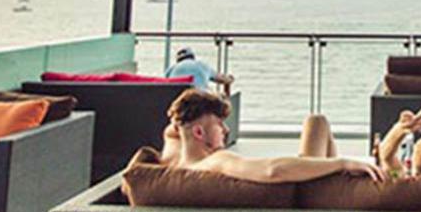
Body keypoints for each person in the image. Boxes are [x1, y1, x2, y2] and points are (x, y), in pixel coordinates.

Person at [159, 89, 383, 183]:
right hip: (301, 190)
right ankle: (341, 180)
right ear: (199, 132)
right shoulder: (216, 161)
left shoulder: (172, 157)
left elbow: (174, 128)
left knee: (317, 122)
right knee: (316, 122)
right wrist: (342, 162)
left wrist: (188, 113)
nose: (226, 131)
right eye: (219, 125)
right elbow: (272, 170)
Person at [166, 47, 234, 93]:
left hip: (176, 103)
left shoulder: (171, 69)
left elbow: (163, 85)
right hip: (200, 100)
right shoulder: (201, 65)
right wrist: (229, 79)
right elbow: (221, 79)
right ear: (193, 57)